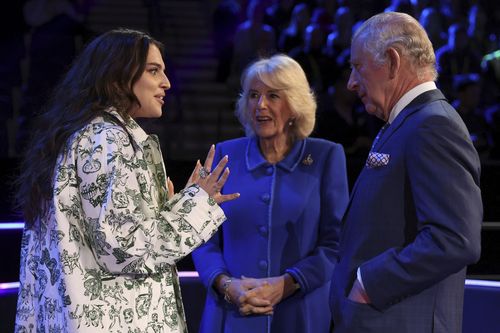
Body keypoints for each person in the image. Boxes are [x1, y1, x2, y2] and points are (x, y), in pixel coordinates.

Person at [14, 28, 239, 332]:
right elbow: (123, 249)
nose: (166, 83)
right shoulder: (109, 140)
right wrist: (197, 204)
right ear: (117, 77)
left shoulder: (82, 135)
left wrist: (170, 209)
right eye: (153, 70)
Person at [329, 12, 483, 333]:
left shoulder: (433, 125)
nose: (351, 83)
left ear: (393, 61)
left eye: (358, 66)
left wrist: (368, 282)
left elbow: (455, 239)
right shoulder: (407, 122)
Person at [192, 54, 349, 333]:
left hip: (300, 315)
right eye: (253, 95)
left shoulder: (326, 156)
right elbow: (202, 239)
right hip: (230, 315)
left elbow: (335, 244)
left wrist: (286, 284)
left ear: (295, 105)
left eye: (273, 96)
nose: (260, 105)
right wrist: (227, 286)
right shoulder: (224, 155)